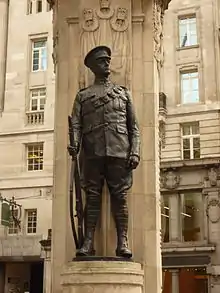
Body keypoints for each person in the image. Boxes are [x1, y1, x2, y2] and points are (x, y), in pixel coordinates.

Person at [68, 46, 140, 258]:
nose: (106, 63)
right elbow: (76, 125)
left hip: (120, 151)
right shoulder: (83, 96)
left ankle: (122, 241)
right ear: (92, 67)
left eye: (107, 60)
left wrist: (135, 152)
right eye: (101, 61)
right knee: (91, 197)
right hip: (92, 153)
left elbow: (133, 127)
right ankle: (88, 241)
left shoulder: (123, 93)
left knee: (120, 197)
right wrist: (75, 143)